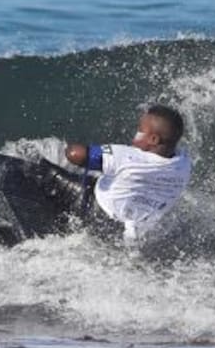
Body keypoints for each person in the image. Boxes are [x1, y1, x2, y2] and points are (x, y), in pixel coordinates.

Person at [65, 105, 192, 244]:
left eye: (140, 130)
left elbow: (76, 155)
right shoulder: (183, 164)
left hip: (96, 210)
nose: (136, 133)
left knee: (46, 171)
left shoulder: (127, 157)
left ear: (153, 140)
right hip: (125, 230)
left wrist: (70, 148)